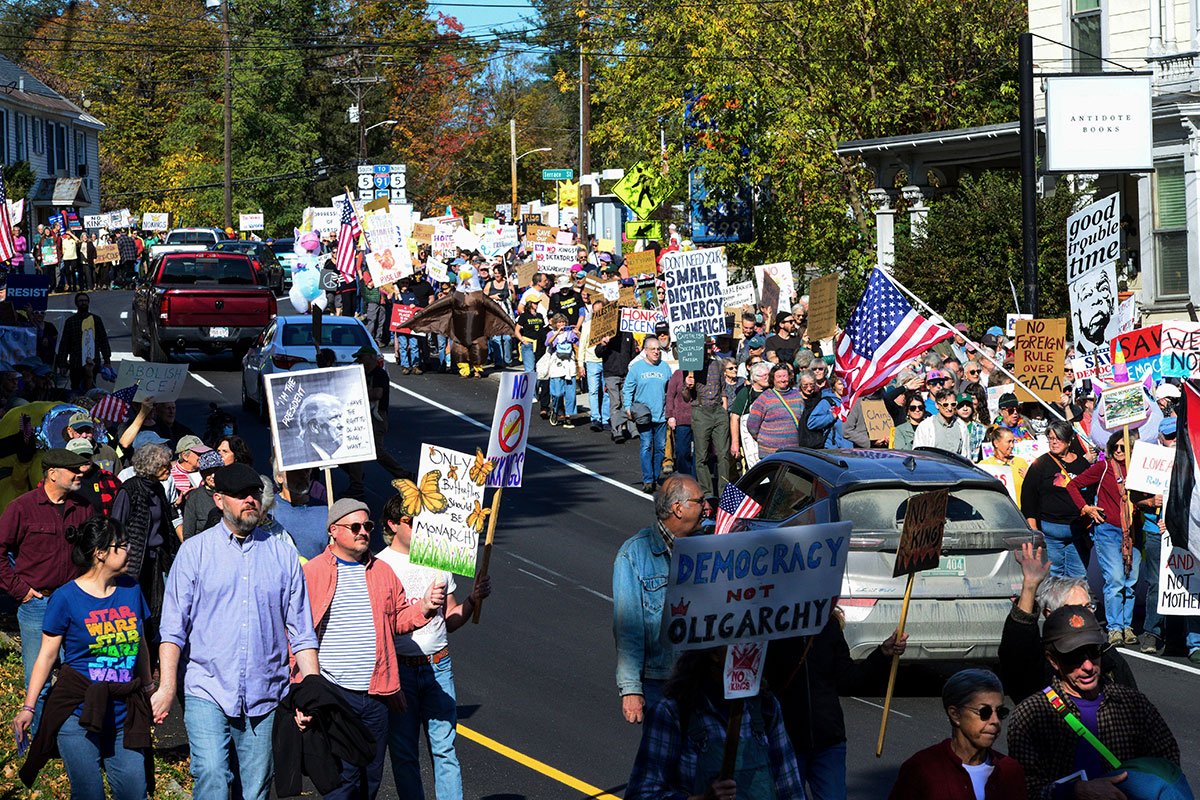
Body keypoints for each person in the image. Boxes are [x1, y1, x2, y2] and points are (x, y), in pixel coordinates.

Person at [152, 463, 320, 800]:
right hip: (207, 688)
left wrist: (311, 693)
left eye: (255, 494)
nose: (250, 500)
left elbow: (302, 632)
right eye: (240, 494)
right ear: (219, 499)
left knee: (255, 788)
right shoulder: (195, 553)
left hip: (266, 694)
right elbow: (173, 629)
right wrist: (167, 686)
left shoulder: (282, 553)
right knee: (213, 774)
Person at [302, 498, 447, 799]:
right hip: (335, 692)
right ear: (333, 530)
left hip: (377, 695)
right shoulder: (313, 572)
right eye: (354, 526)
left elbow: (397, 620)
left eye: (367, 526)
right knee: (343, 781)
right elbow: (297, 634)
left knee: (370, 779)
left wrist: (426, 607)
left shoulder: (382, 572)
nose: (363, 532)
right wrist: (300, 693)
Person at [14, 516, 153, 799]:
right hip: (77, 711)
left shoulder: (131, 589)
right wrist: (29, 707)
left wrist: (150, 688)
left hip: (123, 711)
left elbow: (139, 642)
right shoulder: (65, 597)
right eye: (122, 544)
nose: (129, 550)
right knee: (89, 794)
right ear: (100, 553)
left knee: (134, 792)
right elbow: (47, 655)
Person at [377, 492, 492, 800]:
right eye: (411, 520)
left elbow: (451, 619)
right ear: (393, 523)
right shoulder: (379, 566)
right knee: (403, 753)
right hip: (400, 670)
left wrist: (472, 600)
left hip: (438, 665)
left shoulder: (437, 556)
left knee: (445, 749)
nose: (419, 526)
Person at [1006, 605, 1180, 799]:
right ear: (1053, 661)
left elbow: (1168, 765)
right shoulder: (1030, 714)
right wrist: (1074, 791)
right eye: (1074, 657)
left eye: (1094, 651)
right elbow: (1023, 789)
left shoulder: (1133, 703)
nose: (1088, 666)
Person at [626, 648, 806, 800]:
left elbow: (790, 788)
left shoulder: (766, 707)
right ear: (713, 652)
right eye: (737, 641)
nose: (748, 651)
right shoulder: (674, 713)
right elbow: (641, 794)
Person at [0, 447, 95, 727]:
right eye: (73, 470)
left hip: (75, 604)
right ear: (52, 474)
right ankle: (41, 740)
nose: (80, 474)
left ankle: (76, 734)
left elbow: (94, 552)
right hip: (38, 605)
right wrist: (21, 591)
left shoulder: (84, 506)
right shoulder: (22, 507)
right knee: (37, 679)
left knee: (78, 672)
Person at [767, 613, 908, 800]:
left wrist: (883, 653)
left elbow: (849, 680)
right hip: (785, 742)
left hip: (828, 741)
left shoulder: (829, 624)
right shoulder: (768, 626)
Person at [998, 544, 1138, 705]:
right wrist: (1030, 586)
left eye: (1088, 607)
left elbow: (1134, 705)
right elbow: (1017, 653)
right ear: (1050, 614)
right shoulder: (1040, 665)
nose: (1087, 666)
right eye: (1078, 609)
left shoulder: (1107, 654)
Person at [613, 475, 703, 724]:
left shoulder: (707, 550)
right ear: (678, 509)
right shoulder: (633, 555)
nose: (707, 508)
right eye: (700, 501)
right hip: (660, 683)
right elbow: (627, 628)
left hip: (700, 680)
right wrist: (631, 689)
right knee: (662, 758)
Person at [889, 669, 1026, 800]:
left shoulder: (1011, 770)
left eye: (1000, 712)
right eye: (985, 712)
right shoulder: (921, 769)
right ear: (955, 714)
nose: (995, 721)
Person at [1065, 431, 1140, 647]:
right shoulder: (1104, 467)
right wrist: (1086, 508)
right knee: (1115, 580)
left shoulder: (1138, 468)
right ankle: (1115, 628)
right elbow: (1072, 485)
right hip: (1108, 530)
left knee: (1131, 582)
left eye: (1122, 447)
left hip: (1134, 532)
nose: (1118, 451)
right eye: (1114, 447)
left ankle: (1127, 626)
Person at [110, 443, 180, 648]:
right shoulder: (129, 490)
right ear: (151, 468)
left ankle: (151, 656)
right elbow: (117, 526)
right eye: (164, 466)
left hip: (156, 559)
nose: (169, 469)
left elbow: (166, 521)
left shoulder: (158, 488)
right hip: (133, 562)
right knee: (132, 610)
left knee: (155, 609)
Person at [1021, 421, 1091, 578]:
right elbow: (1028, 497)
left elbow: (1090, 494)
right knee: (1053, 575)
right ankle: (1054, 604)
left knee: (1078, 576)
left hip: (1077, 531)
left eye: (1058, 438)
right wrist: (1034, 529)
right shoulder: (1041, 464)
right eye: (1050, 438)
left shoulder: (1082, 464)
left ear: (1069, 439)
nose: (1053, 442)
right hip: (1050, 531)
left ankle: (1075, 603)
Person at [624, 336, 673, 493]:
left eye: (658, 349)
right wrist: (627, 407)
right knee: (646, 445)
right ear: (645, 351)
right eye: (653, 349)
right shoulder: (636, 368)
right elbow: (628, 388)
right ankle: (648, 479)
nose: (656, 352)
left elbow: (670, 391)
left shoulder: (665, 367)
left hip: (661, 414)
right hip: (644, 415)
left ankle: (655, 474)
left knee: (660, 447)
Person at [689, 347, 733, 497]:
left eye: (707, 347)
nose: (705, 351)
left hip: (718, 410)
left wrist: (724, 410)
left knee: (723, 454)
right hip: (701, 411)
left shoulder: (717, 364)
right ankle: (707, 492)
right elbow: (685, 396)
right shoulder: (690, 367)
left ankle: (724, 491)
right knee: (701, 456)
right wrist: (688, 385)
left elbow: (723, 388)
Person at [55, 292, 112, 393]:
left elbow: (103, 340)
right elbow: (64, 344)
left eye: (85, 301)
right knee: (76, 390)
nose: (83, 303)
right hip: (75, 364)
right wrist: (62, 364)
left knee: (91, 388)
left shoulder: (96, 320)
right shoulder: (70, 321)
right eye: (81, 301)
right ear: (76, 303)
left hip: (93, 362)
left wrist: (107, 361)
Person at [746, 364, 806, 457]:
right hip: (770, 453)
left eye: (785, 376)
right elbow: (752, 425)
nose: (782, 380)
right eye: (779, 376)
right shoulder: (764, 398)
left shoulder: (797, 396)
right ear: (772, 379)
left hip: (793, 451)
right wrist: (763, 440)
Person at [270, 465, 329, 559]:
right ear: (279, 477)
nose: (303, 475)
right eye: (295, 471)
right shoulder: (269, 512)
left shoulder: (325, 511)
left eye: (306, 470)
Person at [596, 330, 637, 443]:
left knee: (627, 402)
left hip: (626, 373)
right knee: (615, 403)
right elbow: (598, 353)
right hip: (611, 373)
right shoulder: (606, 333)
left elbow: (633, 354)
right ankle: (617, 431)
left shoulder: (628, 334)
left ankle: (632, 429)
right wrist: (603, 344)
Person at [68, 438, 122, 517]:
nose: (84, 460)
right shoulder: (62, 482)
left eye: (87, 455)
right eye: (79, 456)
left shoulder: (109, 479)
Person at [544, 313, 582, 427]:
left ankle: (568, 416)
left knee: (570, 393)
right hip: (557, 365)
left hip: (569, 365)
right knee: (557, 393)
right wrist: (557, 334)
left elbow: (581, 344)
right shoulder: (551, 333)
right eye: (559, 322)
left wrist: (578, 334)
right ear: (555, 324)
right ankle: (555, 410)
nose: (561, 324)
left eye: (563, 322)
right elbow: (548, 343)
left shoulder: (570, 334)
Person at [730, 361, 770, 469]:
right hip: (751, 443)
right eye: (764, 376)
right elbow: (735, 418)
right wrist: (735, 443)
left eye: (768, 375)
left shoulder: (772, 392)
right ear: (755, 378)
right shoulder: (745, 393)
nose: (767, 378)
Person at [979, 425, 1030, 503]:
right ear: (996, 443)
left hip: (1019, 512)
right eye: (1009, 442)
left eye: (1013, 441)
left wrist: (1030, 478)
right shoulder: (985, 465)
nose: (1012, 445)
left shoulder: (1021, 462)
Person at [181, 450, 225, 539]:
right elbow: (188, 533)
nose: (212, 475)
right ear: (202, 474)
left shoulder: (230, 493)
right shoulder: (195, 497)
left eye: (216, 471)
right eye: (208, 472)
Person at [581, 300, 610, 432]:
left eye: (600, 310)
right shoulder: (587, 326)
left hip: (606, 361)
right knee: (593, 391)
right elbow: (582, 345)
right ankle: (595, 418)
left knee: (607, 391)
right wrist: (580, 364)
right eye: (595, 310)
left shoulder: (609, 325)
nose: (597, 313)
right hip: (592, 361)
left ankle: (605, 419)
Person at [297, 392, 348, 462]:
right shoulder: (299, 461)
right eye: (333, 418)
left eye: (340, 417)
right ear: (314, 427)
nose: (342, 425)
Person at [664, 368, 695, 476]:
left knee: (699, 454)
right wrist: (670, 415)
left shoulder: (703, 373)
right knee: (682, 451)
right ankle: (684, 477)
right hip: (681, 418)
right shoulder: (678, 373)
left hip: (699, 418)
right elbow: (670, 395)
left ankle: (696, 480)